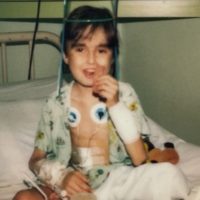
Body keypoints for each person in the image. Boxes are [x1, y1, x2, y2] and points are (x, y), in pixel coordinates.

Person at [13, 5, 190, 200]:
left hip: (116, 181)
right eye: (80, 49)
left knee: (168, 176)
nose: (91, 60)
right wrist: (61, 177)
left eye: (101, 50)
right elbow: (36, 160)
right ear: (65, 55)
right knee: (24, 198)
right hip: (72, 186)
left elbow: (140, 159)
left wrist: (115, 106)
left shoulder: (124, 94)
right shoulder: (55, 104)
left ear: (112, 57)